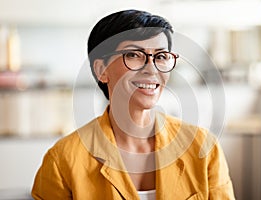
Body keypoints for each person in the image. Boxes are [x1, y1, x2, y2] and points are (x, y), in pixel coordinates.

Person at [31, 9, 235, 200]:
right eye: (133, 55)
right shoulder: (62, 160)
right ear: (102, 69)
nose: (151, 68)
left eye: (161, 56)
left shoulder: (204, 149)